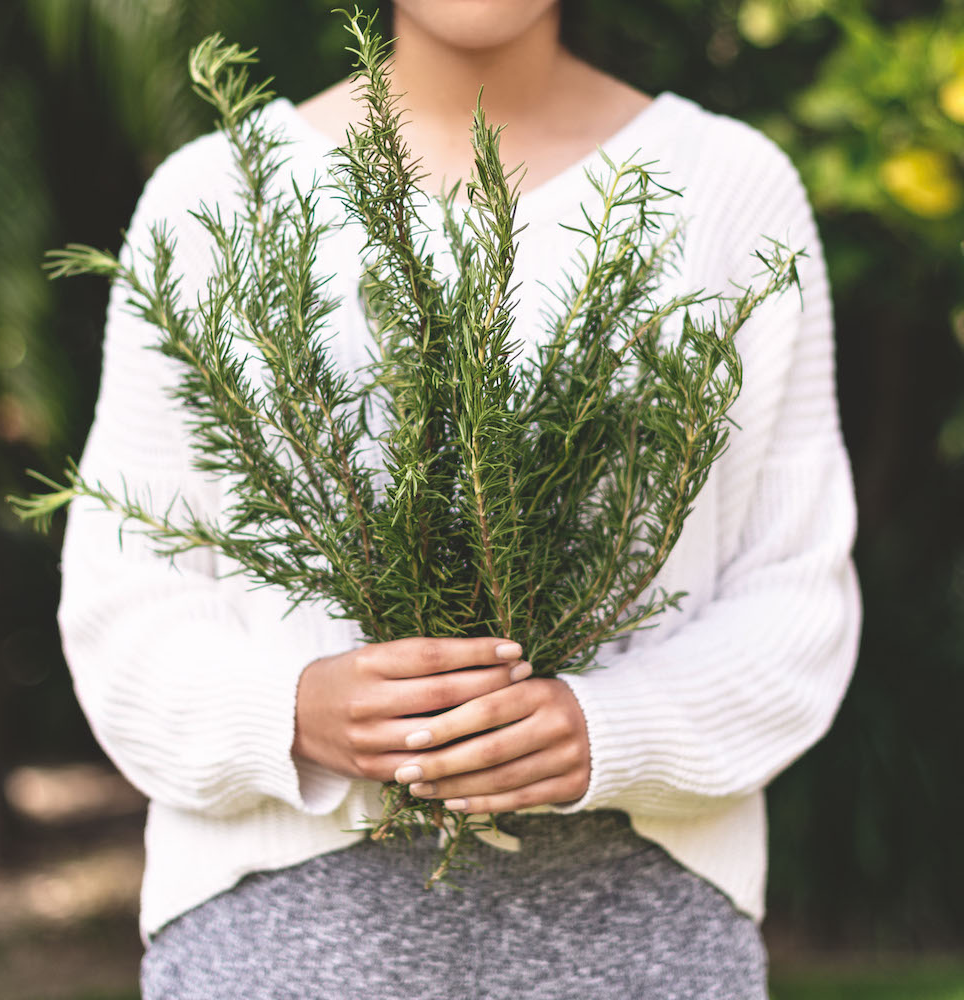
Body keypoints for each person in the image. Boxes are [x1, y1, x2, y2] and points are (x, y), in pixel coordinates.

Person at [58, 2, 861, 997]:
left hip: (639, 937)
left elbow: (795, 597)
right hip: (277, 938)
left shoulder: (730, 190)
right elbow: (122, 605)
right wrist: (293, 710)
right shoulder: (210, 200)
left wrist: (610, 728)